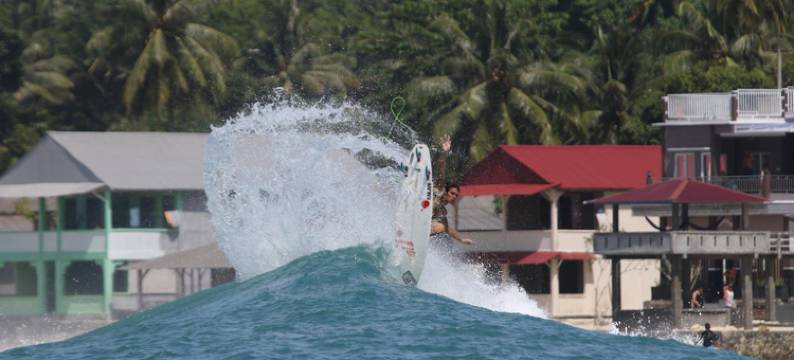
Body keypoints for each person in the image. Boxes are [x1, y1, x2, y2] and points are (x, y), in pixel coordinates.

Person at [430, 135, 473, 248]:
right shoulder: (439, 189)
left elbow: (450, 230)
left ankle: (420, 236)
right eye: (452, 193)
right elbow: (441, 169)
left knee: (443, 225)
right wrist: (445, 152)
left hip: (421, 225)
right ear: (446, 191)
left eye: (456, 195)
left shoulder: (442, 210)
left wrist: (462, 240)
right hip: (418, 205)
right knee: (434, 206)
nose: (454, 196)